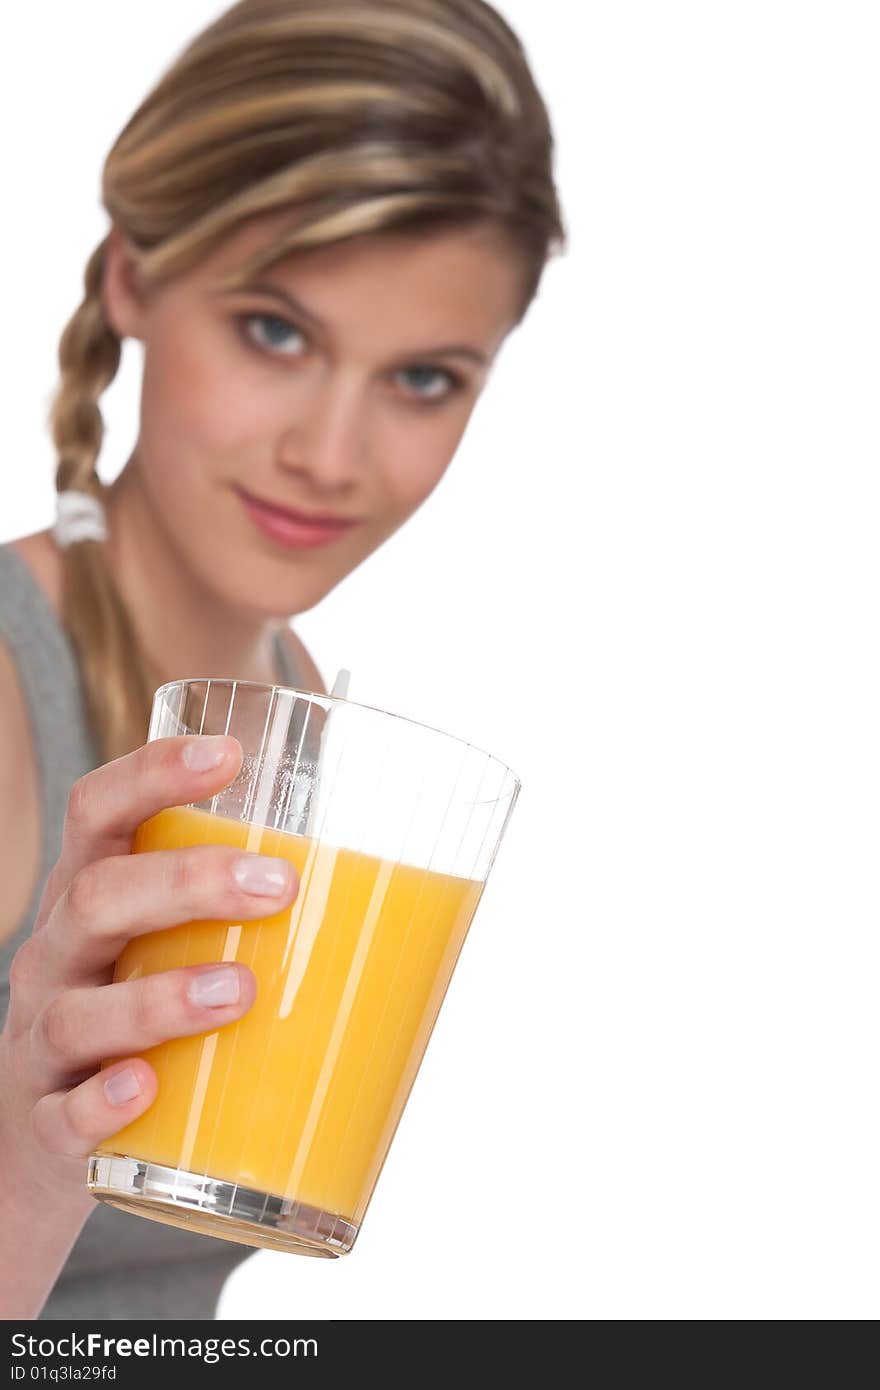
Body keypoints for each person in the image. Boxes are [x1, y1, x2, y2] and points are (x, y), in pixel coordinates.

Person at [0, 0, 565, 1320]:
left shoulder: (295, 711)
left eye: (422, 377)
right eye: (275, 332)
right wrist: (27, 1174)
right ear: (132, 275)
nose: (330, 453)